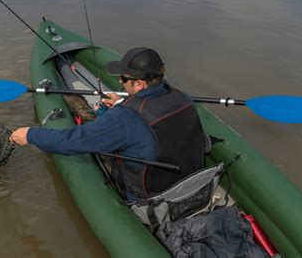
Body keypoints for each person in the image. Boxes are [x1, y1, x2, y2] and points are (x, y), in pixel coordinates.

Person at [10, 47, 206, 202]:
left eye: (124, 79)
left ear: (139, 84)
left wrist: (30, 135)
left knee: (88, 121)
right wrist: (123, 103)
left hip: (152, 194)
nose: (120, 82)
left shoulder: (125, 118)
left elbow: (73, 141)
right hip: (191, 180)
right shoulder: (182, 97)